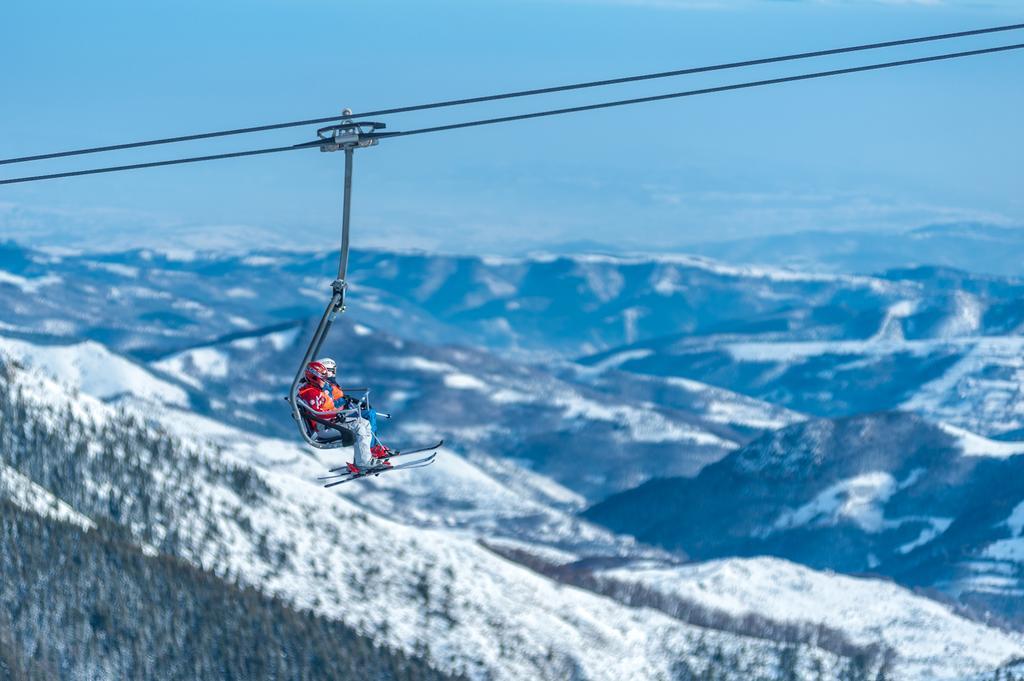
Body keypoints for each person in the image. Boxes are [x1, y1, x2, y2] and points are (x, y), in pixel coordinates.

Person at [297, 358, 390, 473]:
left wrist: (338, 411)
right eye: (323, 378)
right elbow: (319, 414)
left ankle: (363, 459)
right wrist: (338, 415)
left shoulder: (316, 390)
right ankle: (363, 463)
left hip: (330, 423)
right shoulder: (311, 393)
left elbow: (327, 408)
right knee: (359, 426)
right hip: (325, 428)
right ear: (314, 377)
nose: (325, 381)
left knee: (364, 423)